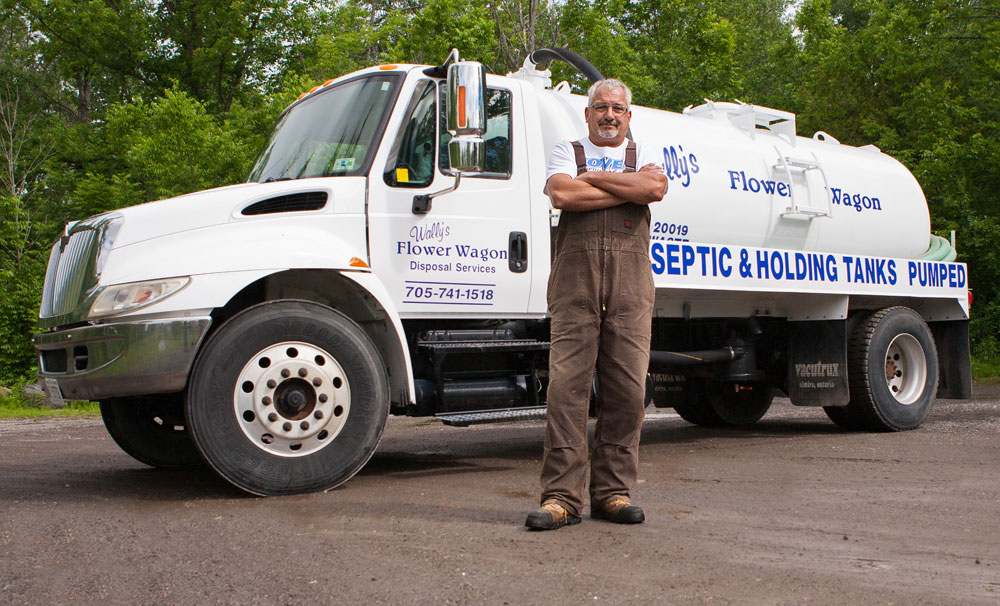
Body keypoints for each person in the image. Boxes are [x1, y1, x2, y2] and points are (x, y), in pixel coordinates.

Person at [526, 79, 667, 530]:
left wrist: (594, 180)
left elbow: (655, 189)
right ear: (587, 115)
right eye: (600, 107)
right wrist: (628, 187)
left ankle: (613, 493)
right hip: (575, 289)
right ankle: (561, 500)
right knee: (566, 392)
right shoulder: (566, 150)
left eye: (617, 108)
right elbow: (563, 194)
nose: (609, 114)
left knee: (627, 392)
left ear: (629, 116)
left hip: (631, 292)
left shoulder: (643, 151)